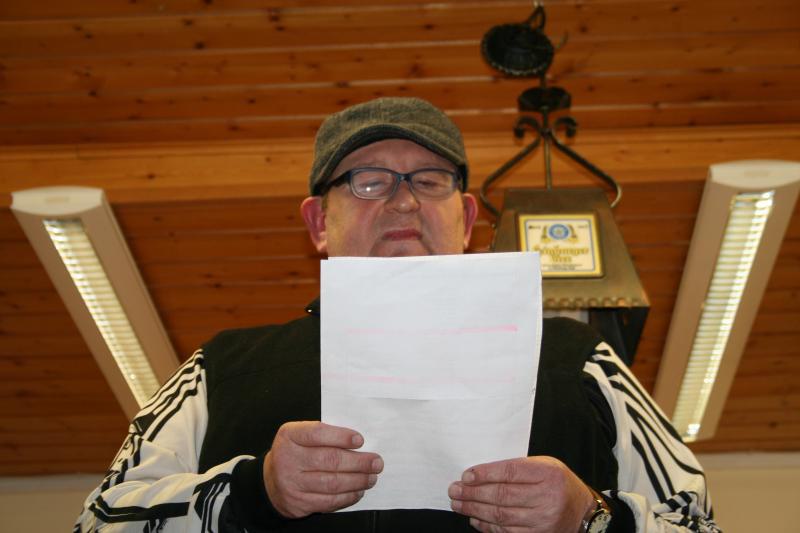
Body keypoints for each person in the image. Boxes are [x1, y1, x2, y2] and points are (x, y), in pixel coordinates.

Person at [76, 97, 720, 533]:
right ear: (318, 223)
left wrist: (591, 516)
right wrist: (253, 492)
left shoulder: (579, 361)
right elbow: (98, 520)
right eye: (368, 180)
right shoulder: (221, 366)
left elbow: (698, 522)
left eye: (430, 180)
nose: (404, 202)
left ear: (466, 219)